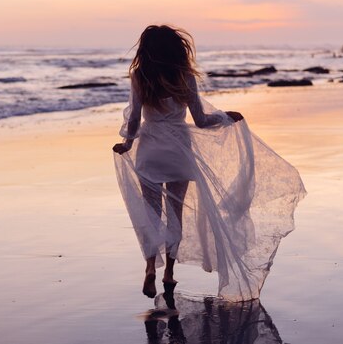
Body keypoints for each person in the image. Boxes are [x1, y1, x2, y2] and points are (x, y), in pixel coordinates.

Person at [113, 25, 306, 301]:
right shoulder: (184, 77)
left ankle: (149, 269)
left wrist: (127, 144)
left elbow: (133, 120)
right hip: (179, 151)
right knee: (175, 213)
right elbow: (201, 120)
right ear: (176, 49)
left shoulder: (140, 77)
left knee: (152, 212)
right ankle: (168, 272)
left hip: (150, 151)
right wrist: (225, 117)